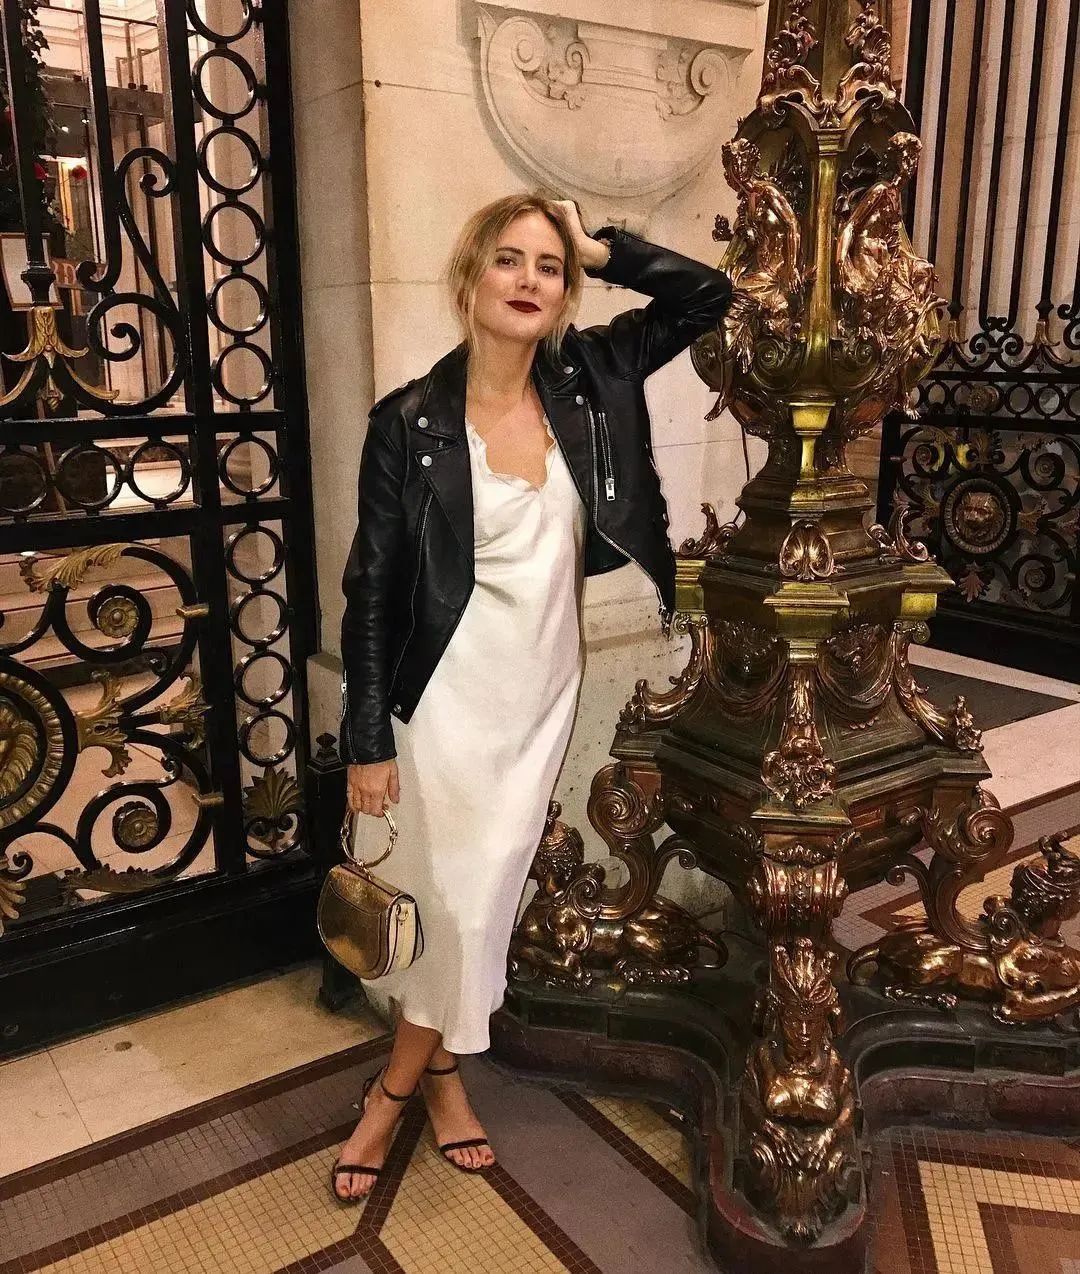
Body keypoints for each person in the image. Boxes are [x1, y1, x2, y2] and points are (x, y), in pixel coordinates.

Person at [332, 194, 732, 1202]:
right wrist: (366, 737)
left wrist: (603, 247)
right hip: (439, 699)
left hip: (536, 694)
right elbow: (371, 589)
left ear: (566, 291)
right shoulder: (408, 423)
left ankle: (425, 1076)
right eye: (507, 259)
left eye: (549, 267)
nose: (528, 280)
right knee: (454, 902)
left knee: (482, 897)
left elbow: (706, 296)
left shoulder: (592, 377)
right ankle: (408, 1088)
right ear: (469, 276)